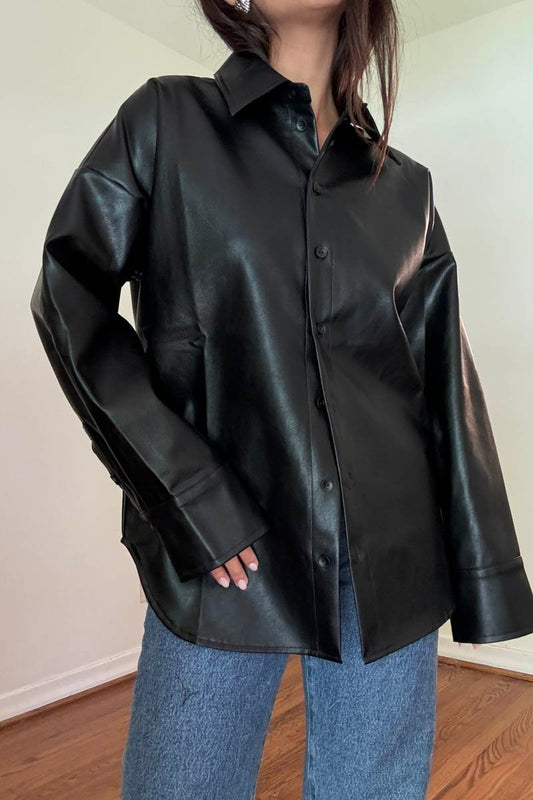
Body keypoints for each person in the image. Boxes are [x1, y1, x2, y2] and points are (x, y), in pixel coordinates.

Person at [30, 0, 533, 797]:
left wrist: (484, 571)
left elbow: (442, 379)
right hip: (227, 548)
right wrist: (189, 495)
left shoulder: (405, 189)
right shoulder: (166, 120)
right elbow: (69, 294)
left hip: (388, 557)